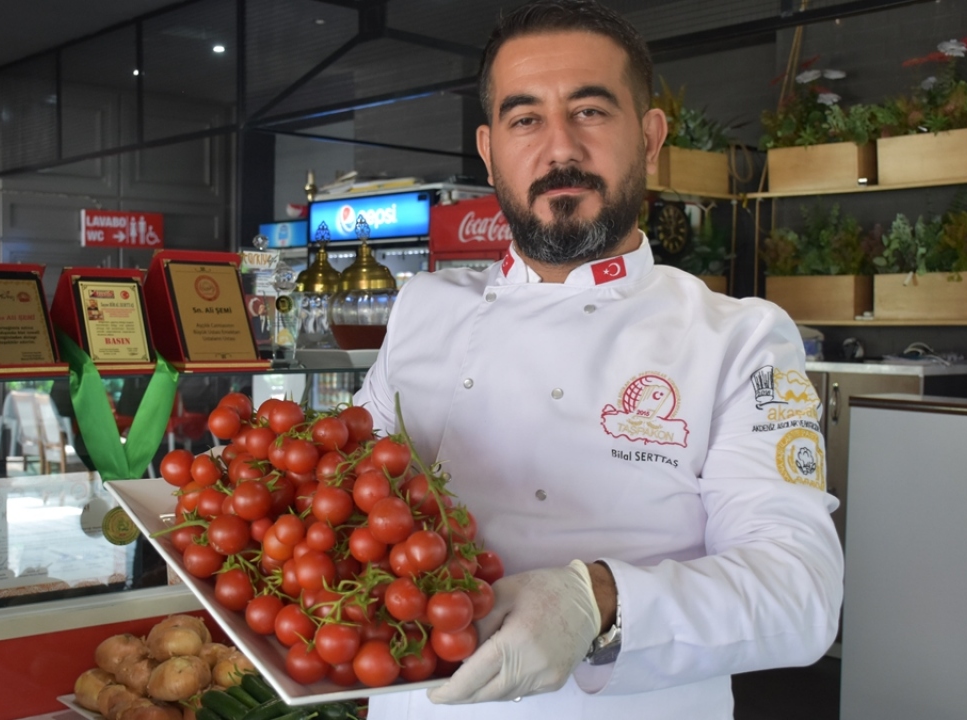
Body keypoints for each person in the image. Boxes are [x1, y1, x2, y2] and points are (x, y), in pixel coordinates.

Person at [351, 1, 844, 718]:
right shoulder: (424, 309)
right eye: (525, 120)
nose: (559, 150)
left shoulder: (737, 339)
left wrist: (600, 600)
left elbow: (801, 595)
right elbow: (346, 502)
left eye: (589, 112)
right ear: (488, 151)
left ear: (648, 138)